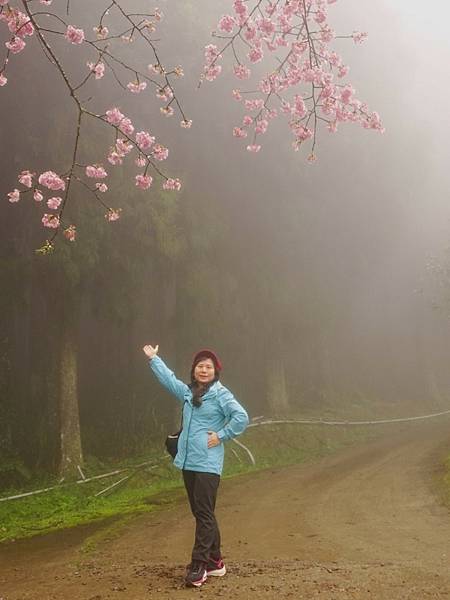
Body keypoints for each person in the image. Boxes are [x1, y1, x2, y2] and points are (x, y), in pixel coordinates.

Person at [142, 344, 249, 588]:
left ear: (215, 371)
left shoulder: (221, 394)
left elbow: (241, 417)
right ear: (194, 370)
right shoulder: (190, 393)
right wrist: (154, 359)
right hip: (188, 462)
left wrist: (221, 435)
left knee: (203, 514)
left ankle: (199, 566)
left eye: (208, 367)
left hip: (208, 465)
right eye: (200, 366)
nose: (204, 370)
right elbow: (169, 381)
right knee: (203, 513)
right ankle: (215, 562)